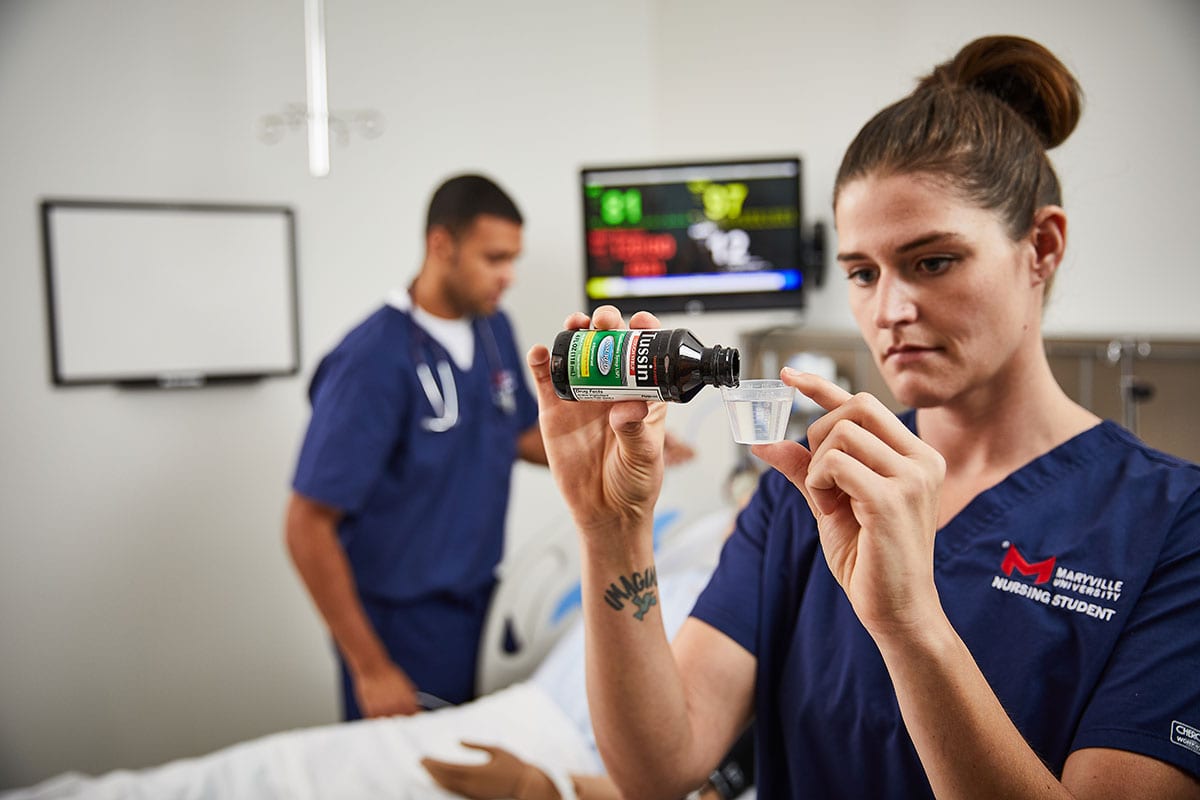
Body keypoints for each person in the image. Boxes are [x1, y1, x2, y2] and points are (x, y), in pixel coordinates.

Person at [525, 35, 1200, 800]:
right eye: (861, 272)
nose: (889, 310)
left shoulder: (1172, 527)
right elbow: (657, 768)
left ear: (1040, 247)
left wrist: (913, 627)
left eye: (933, 261)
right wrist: (610, 533)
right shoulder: (804, 483)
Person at [285, 173, 545, 720]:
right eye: (494, 258)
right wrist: (372, 669)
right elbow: (306, 525)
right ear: (440, 246)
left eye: (512, 259)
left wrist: (611, 447)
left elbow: (513, 433)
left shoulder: (494, 329)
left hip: (481, 607)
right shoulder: (372, 359)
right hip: (398, 627)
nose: (508, 276)